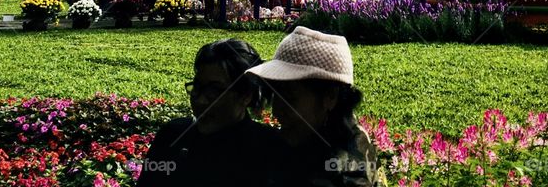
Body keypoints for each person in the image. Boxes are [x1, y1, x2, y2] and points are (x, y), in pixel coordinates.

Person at [247, 26, 384, 187]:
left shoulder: (345, 175)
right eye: (275, 95)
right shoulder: (324, 134)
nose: (277, 111)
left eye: (290, 98)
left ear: (330, 96)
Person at [136, 39, 283, 186]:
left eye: (214, 91)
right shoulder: (172, 136)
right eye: (197, 88)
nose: (200, 101)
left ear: (245, 95)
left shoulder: (269, 150)